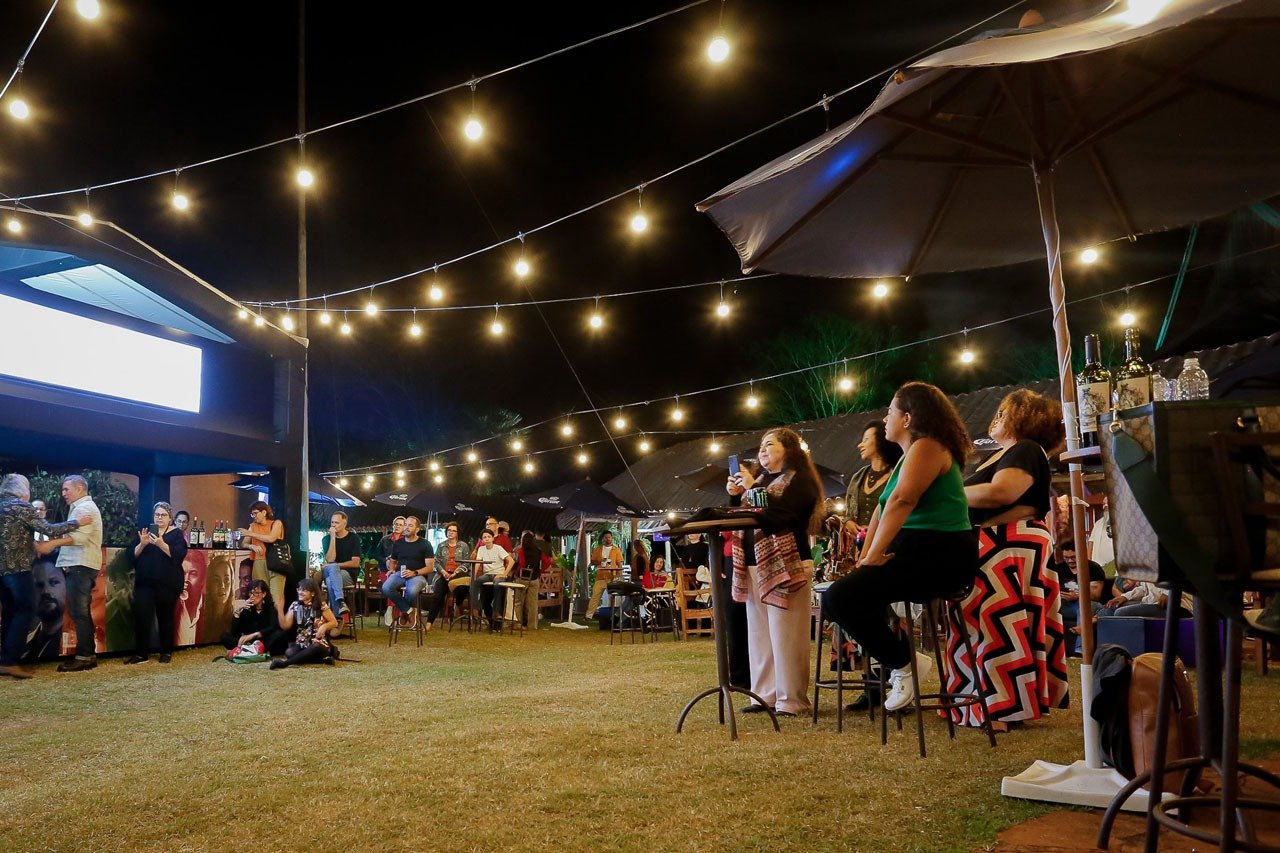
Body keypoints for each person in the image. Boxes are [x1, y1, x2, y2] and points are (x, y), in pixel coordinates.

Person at [822, 382, 979, 712]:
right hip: (915, 549)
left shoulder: (928, 446)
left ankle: (904, 664)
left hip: (939, 553)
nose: (885, 419)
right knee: (840, 599)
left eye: (890, 411)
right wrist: (866, 558)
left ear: (907, 417)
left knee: (839, 598)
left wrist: (874, 555)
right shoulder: (909, 456)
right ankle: (903, 662)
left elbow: (902, 501)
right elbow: (882, 509)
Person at [944, 388, 1070, 729]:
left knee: (997, 622)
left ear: (1027, 419)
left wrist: (945, 494)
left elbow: (1001, 492)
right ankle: (980, 701)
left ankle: (999, 705)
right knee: (985, 621)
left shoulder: (1025, 449)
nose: (996, 417)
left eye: (1005, 412)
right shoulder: (1005, 453)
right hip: (995, 541)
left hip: (1009, 542)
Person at [726, 427, 822, 717]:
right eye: (761, 446)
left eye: (769, 444)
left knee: (786, 634)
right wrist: (735, 496)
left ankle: (791, 700)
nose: (762, 450)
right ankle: (764, 695)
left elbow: (781, 516)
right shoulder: (761, 481)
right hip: (753, 564)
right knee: (759, 634)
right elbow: (747, 516)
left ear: (788, 449)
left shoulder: (800, 480)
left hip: (787, 565)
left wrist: (752, 488)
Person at [0, 474, 83, 678]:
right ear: (22, 490)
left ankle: (4, 659)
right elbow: (48, 529)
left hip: (1, 571)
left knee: (9, 611)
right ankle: (9, 661)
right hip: (18, 568)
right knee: (27, 609)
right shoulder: (21, 507)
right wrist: (77, 522)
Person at [46, 475, 104, 672]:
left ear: (80, 489)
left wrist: (51, 544)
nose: (63, 493)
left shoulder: (84, 508)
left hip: (81, 565)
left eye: (66, 489)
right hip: (81, 565)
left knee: (79, 612)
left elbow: (78, 538)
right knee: (80, 611)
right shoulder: (81, 507)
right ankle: (87, 654)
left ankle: (85, 656)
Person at [124, 501, 189, 664]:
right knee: (142, 616)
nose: (160, 518)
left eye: (163, 515)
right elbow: (131, 556)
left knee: (165, 617)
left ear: (170, 517)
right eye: (157, 515)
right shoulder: (145, 531)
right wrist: (142, 544)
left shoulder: (176, 534)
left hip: (168, 584)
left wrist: (161, 544)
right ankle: (141, 654)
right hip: (145, 583)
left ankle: (166, 652)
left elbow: (179, 556)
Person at [841, 421, 904, 560]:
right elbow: (848, 513)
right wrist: (848, 522)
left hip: (889, 548)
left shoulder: (899, 475)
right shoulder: (858, 477)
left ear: (881, 441)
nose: (860, 445)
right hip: (859, 550)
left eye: (866, 439)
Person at [271, 577, 339, 669]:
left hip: (319, 643)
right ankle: (322, 660)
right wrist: (280, 611)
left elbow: (334, 622)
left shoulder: (321, 605)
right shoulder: (295, 605)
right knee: (289, 652)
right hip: (302, 643)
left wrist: (324, 627)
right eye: (299, 589)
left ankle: (285, 663)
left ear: (313, 593)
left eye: (304, 590)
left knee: (316, 646)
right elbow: (285, 626)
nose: (300, 592)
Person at [382, 515, 435, 630]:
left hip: (418, 575)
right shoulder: (398, 543)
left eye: (410, 525)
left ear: (417, 529)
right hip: (400, 574)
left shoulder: (425, 544)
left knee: (411, 591)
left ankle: (405, 613)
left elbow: (430, 568)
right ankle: (408, 610)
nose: (406, 527)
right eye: (405, 524)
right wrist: (391, 570)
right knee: (386, 587)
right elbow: (393, 560)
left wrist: (414, 572)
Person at [1053, 537, 1104, 656]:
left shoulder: (1093, 568)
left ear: (1081, 553)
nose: (1070, 561)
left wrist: (1077, 596)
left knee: (1085, 608)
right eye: (1066, 558)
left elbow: (1095, 595)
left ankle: (1080, 649)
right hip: (1063, 603)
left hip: (1086, 603)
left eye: (1073, 557)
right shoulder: (1058, 568)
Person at [220, 579, 289, 655]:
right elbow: (235, 633)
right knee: (225, 637)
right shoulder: (247, 609)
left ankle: (250, 650)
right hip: (250, 642)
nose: (252, 596)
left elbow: (272, 627)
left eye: (256, 593)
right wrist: (238, 612)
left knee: (279, 635)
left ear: (264, 594)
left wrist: (254, 635)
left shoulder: (271, 607)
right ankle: (252, 649)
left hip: (265, 640)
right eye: (250, 593)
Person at [237, 501, 286, 603]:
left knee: (276, 596)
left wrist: (251, 534)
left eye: (255, 513)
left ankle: (276, 613)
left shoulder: (276, 523)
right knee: (259, 594)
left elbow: (271, 538)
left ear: (264, 512)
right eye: (252, 514)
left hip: (276, 562)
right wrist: (251, 546)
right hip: (259, 561)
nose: (254, 516)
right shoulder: (253, 526)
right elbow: (244, 543)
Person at [319, 510, 361, 622]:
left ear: (344, 523)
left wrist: (336, 565)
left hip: (348, 575)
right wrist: (333, 538)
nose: (333, 525)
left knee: (330, 580)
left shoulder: (353, 538)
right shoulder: (326, 539)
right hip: (331, 573)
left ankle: (337, 618)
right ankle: (341, 604)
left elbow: (355, 562)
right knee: (332, 569)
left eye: (336, 522)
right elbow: (330, 559)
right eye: (332, 522)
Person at [428, 521, 472, 624]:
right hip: (443, 574)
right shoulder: (441, 545)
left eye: (453, 531)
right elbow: (436, 562)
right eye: (449, 530)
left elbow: (467, 563)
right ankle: (430, 622)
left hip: (458, 574)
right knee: (437, 595)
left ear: (457, 533)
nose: (450, 532)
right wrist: (443, 572)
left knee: (463, 587)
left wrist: (456, 572)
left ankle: (458, 604)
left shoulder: (464, 546)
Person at [25, 558, 68, 662]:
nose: (46, 591)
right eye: (38, 585)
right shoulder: (21, 646)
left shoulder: (80, 642)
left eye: (54, 582)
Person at [469, 529, 513, 627]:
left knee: (497, 584)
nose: (487, 539)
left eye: (489, 537)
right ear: (482, 540)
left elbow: (511, 561)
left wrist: (504, 574)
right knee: (476, 582)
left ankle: (497, 611)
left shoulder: (498, 548)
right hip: (488, 574)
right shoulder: (481, 549)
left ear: (493, 538)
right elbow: (477, 563)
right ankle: (475, 608)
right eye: (484, 537)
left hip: (498, 573)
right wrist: (473, 576)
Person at [512, 531, 550, 630]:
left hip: (522, 578)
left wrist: (516, 573)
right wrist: (540, 570)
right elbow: (547, 562)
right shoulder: (538, 550)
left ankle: (519, 623)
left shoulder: (521, 550)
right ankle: (532, 626)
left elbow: (522, 564)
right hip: (534, 578)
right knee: (532, 603)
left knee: (518, 602)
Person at [585, 531, 623, 619]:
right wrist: (600, 562)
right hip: (600, 576)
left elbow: (620, 563)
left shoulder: (616, 550)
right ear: (603, 538)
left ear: (611, 538)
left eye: (609, 537)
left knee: (612, 597)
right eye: (606, 537)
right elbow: (593, 561)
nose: (608, 539)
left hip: (612, 576)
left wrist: (618, 576)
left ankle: (612, 615)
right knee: (595, 596)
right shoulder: (598, 549)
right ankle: (589, 615)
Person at [176, 553, 207, 646]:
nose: (185, 579)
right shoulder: (172, 605)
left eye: (193, 574)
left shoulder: (208, 606)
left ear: (202, 580)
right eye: (182, 573)